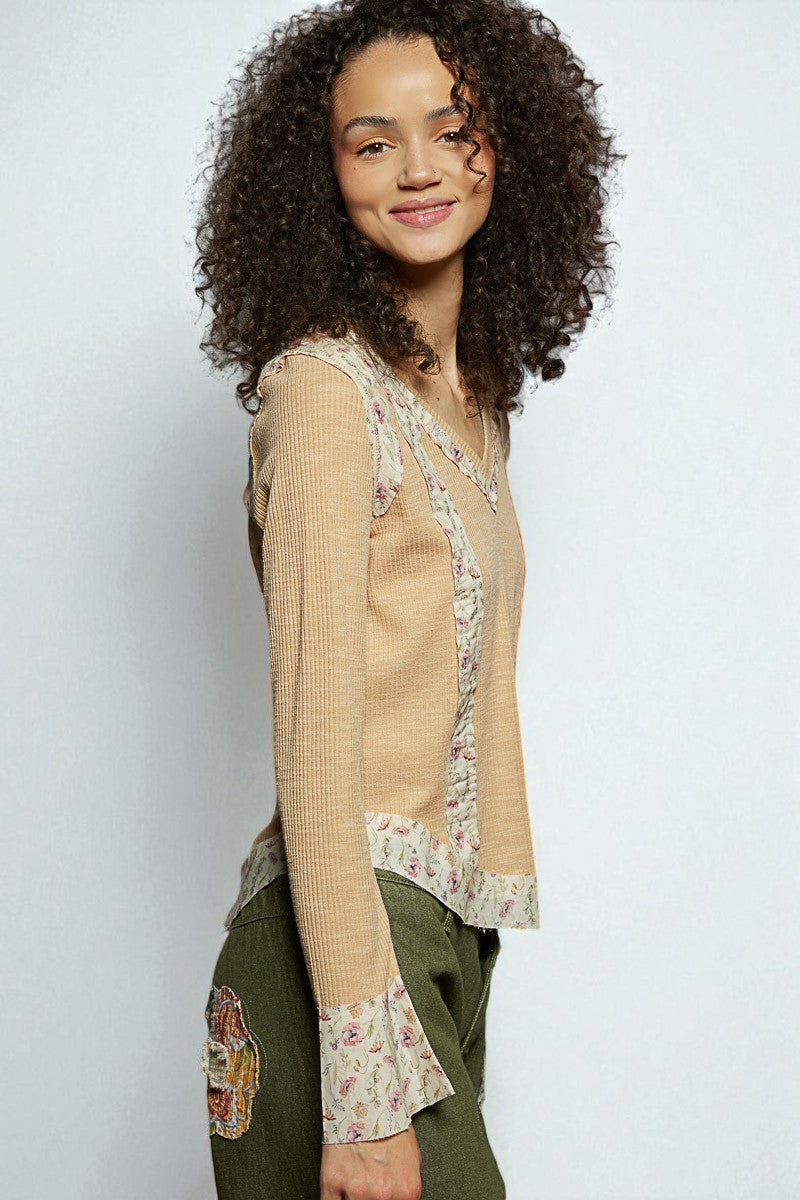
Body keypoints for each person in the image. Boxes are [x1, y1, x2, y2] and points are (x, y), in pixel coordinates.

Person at [192, 2, 622, 1196]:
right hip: (337, 946)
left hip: (437, 942)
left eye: (453, 127)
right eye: (372, 141)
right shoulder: (326, 394)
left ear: (508, 146)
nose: (420, 168)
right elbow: (315, 756)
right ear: (318, 177)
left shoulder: (472, 416)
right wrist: (367, 1083)